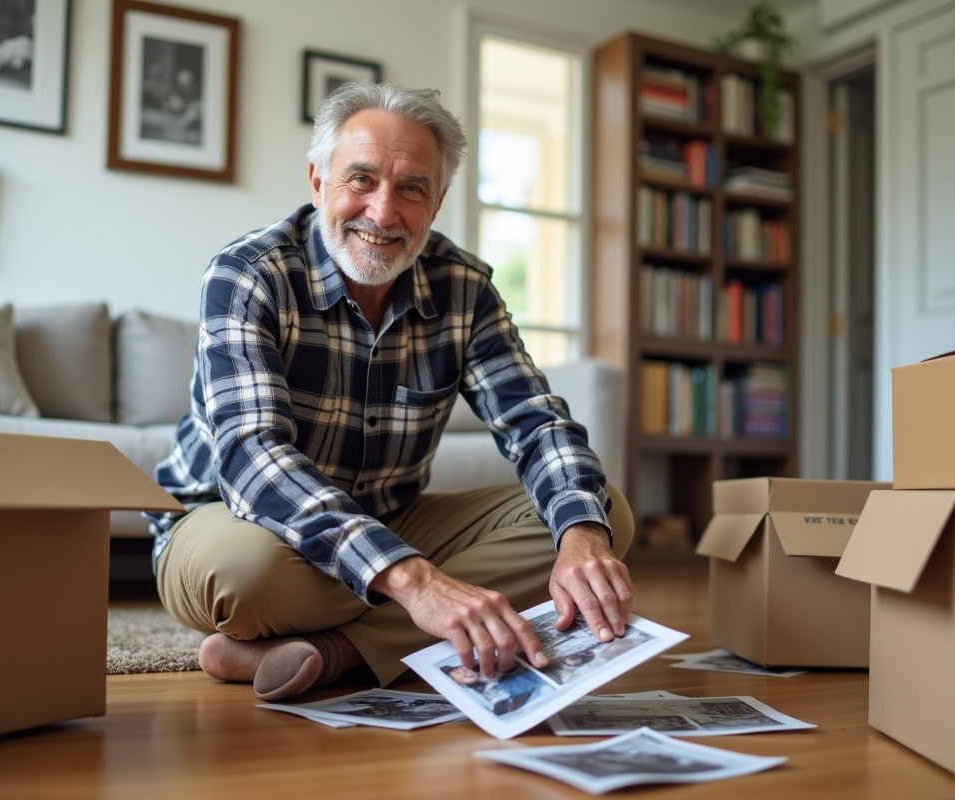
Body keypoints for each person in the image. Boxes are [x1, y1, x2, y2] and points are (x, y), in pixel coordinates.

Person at [149, 83, 635, 702]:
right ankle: (410, 621)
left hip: (389, 519)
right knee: (252, 577)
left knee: (599, 518)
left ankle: (339, 652)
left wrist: (579, 543)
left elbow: (536, 424)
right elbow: (253, 457)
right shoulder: (251, 272)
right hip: (233, 520)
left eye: (411, 187)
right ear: (318, 180)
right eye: (361, 179)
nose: (382, 212)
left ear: (437, 201)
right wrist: (418, 582)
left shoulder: (465, 288)